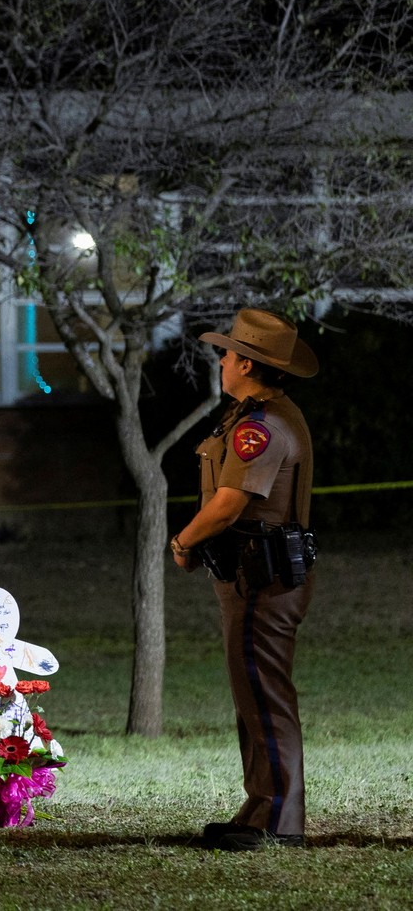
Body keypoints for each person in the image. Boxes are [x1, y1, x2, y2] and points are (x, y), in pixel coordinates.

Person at [169, 308, 319, 852]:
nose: (223, 360)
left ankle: (280, 821)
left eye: (230, 353)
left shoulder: (262, 427)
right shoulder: (251, 414)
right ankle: (260, 809)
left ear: (249, 365)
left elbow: (229, 506)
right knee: (253, 695)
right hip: (253, 575)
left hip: (263, 578)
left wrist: (184, 541)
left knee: (265, 694)